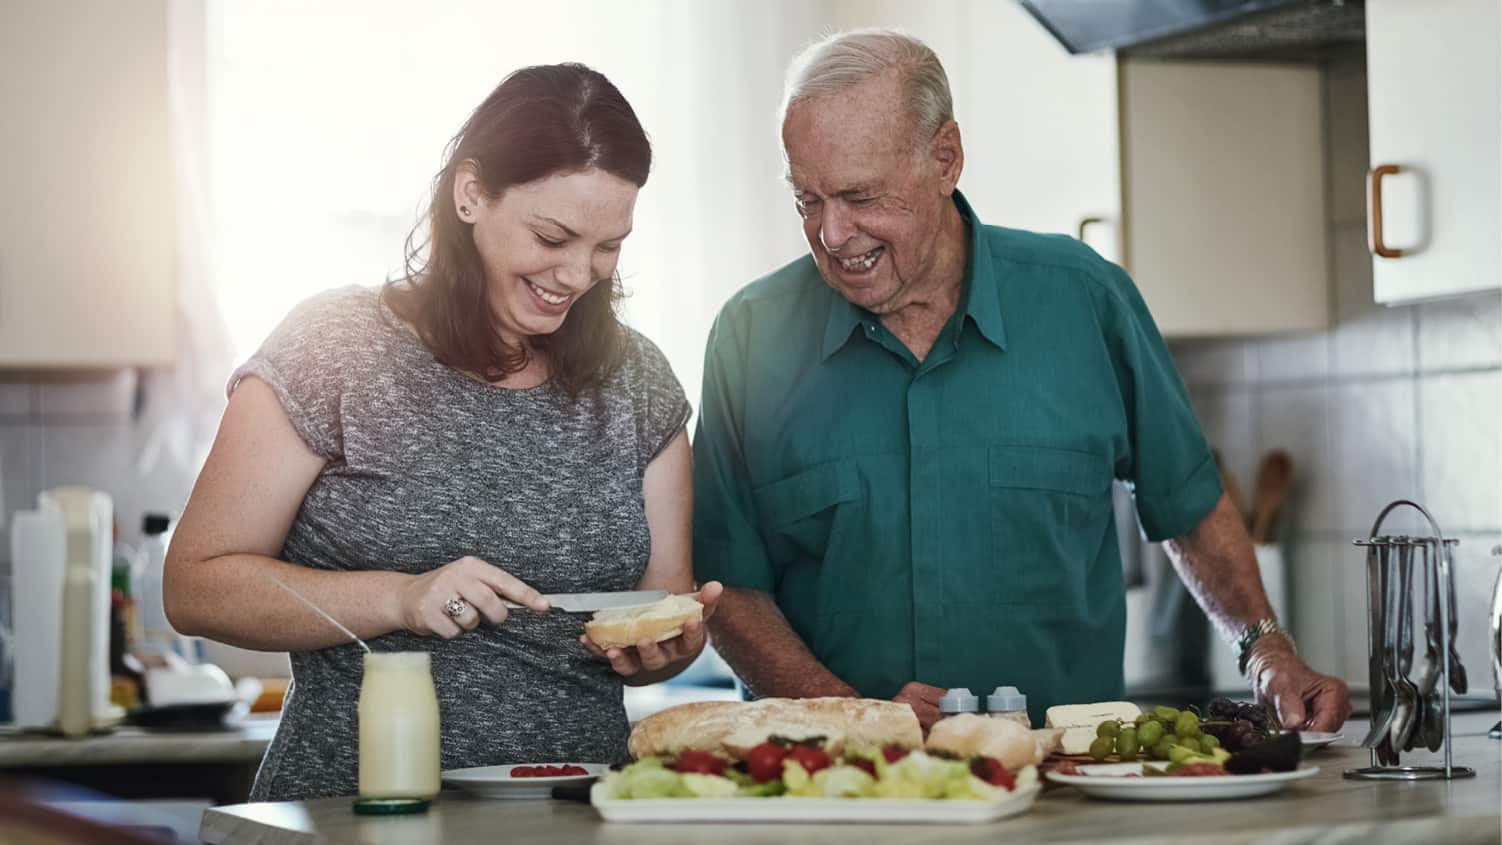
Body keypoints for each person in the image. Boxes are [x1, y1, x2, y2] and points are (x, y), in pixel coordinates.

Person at [692, 30, 1349, 732]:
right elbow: (727, 589)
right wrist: (852, 716)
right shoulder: (750, 336)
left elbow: (1186, 503)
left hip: (1067, 789)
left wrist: (1264, 648)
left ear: (945, 158)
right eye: (808, 200)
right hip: (831, 791)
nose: (832, 232)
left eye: (859, 195)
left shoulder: (1086, 299)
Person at [164, 63, 721, 802]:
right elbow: (195, 584)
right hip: (356, 810)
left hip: (576, 816)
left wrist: (665, 648)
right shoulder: (335, 347)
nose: (578, 273)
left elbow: (655, 609)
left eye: (607, 245)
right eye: (553, 235)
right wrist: (402, 597)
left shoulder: (637, 380)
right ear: (470, 194)